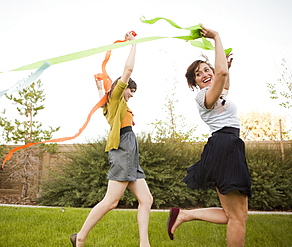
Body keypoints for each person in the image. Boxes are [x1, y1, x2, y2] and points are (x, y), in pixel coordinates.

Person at [166, 26, 252, 247]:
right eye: (199, 74)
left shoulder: (217, 93)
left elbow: (224, 82)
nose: (205, 74)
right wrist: (216, 38)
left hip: (229, 145)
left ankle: (184, 215)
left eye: (207, 70)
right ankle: (184, 215)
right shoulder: (203, 96)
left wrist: (226, 69)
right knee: (237, 217)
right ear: (194, 82)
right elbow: (220, 75)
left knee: (236, 215)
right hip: (224, 145)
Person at [70, 31, 153, 247]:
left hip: (130, 152)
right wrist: (134, 44)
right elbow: (128, 69)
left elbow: (101, 96)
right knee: (111, 201)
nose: (132, 94)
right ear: (122, 87)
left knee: (146, 199)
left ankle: (144, 244)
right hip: (123, 149)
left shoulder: (112, 104)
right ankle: (79, 237)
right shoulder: (116, 97)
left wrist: (97, 85)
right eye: (131, 90)